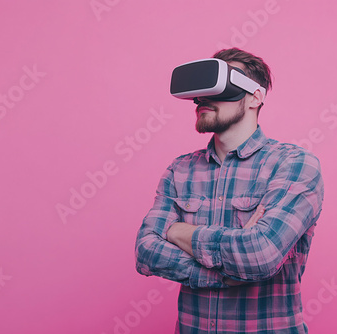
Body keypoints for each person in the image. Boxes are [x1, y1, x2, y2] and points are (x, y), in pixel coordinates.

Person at [134, 48, 324, 333]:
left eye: (220, 87)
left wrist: (176, 231)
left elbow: (260, 254)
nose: (201, 99)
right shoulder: (180, 170)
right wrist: (221, 274)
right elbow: (146, 251)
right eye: (199, 92)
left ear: (255, 97)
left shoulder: (294, 165)